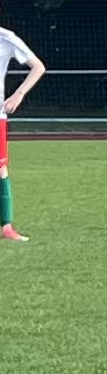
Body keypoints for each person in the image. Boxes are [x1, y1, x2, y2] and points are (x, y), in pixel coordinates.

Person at [0, 23, 47, 242]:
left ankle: (7, 226)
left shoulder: (6, 38)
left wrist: (18, 94)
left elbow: (38, 67)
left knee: (1, 168)